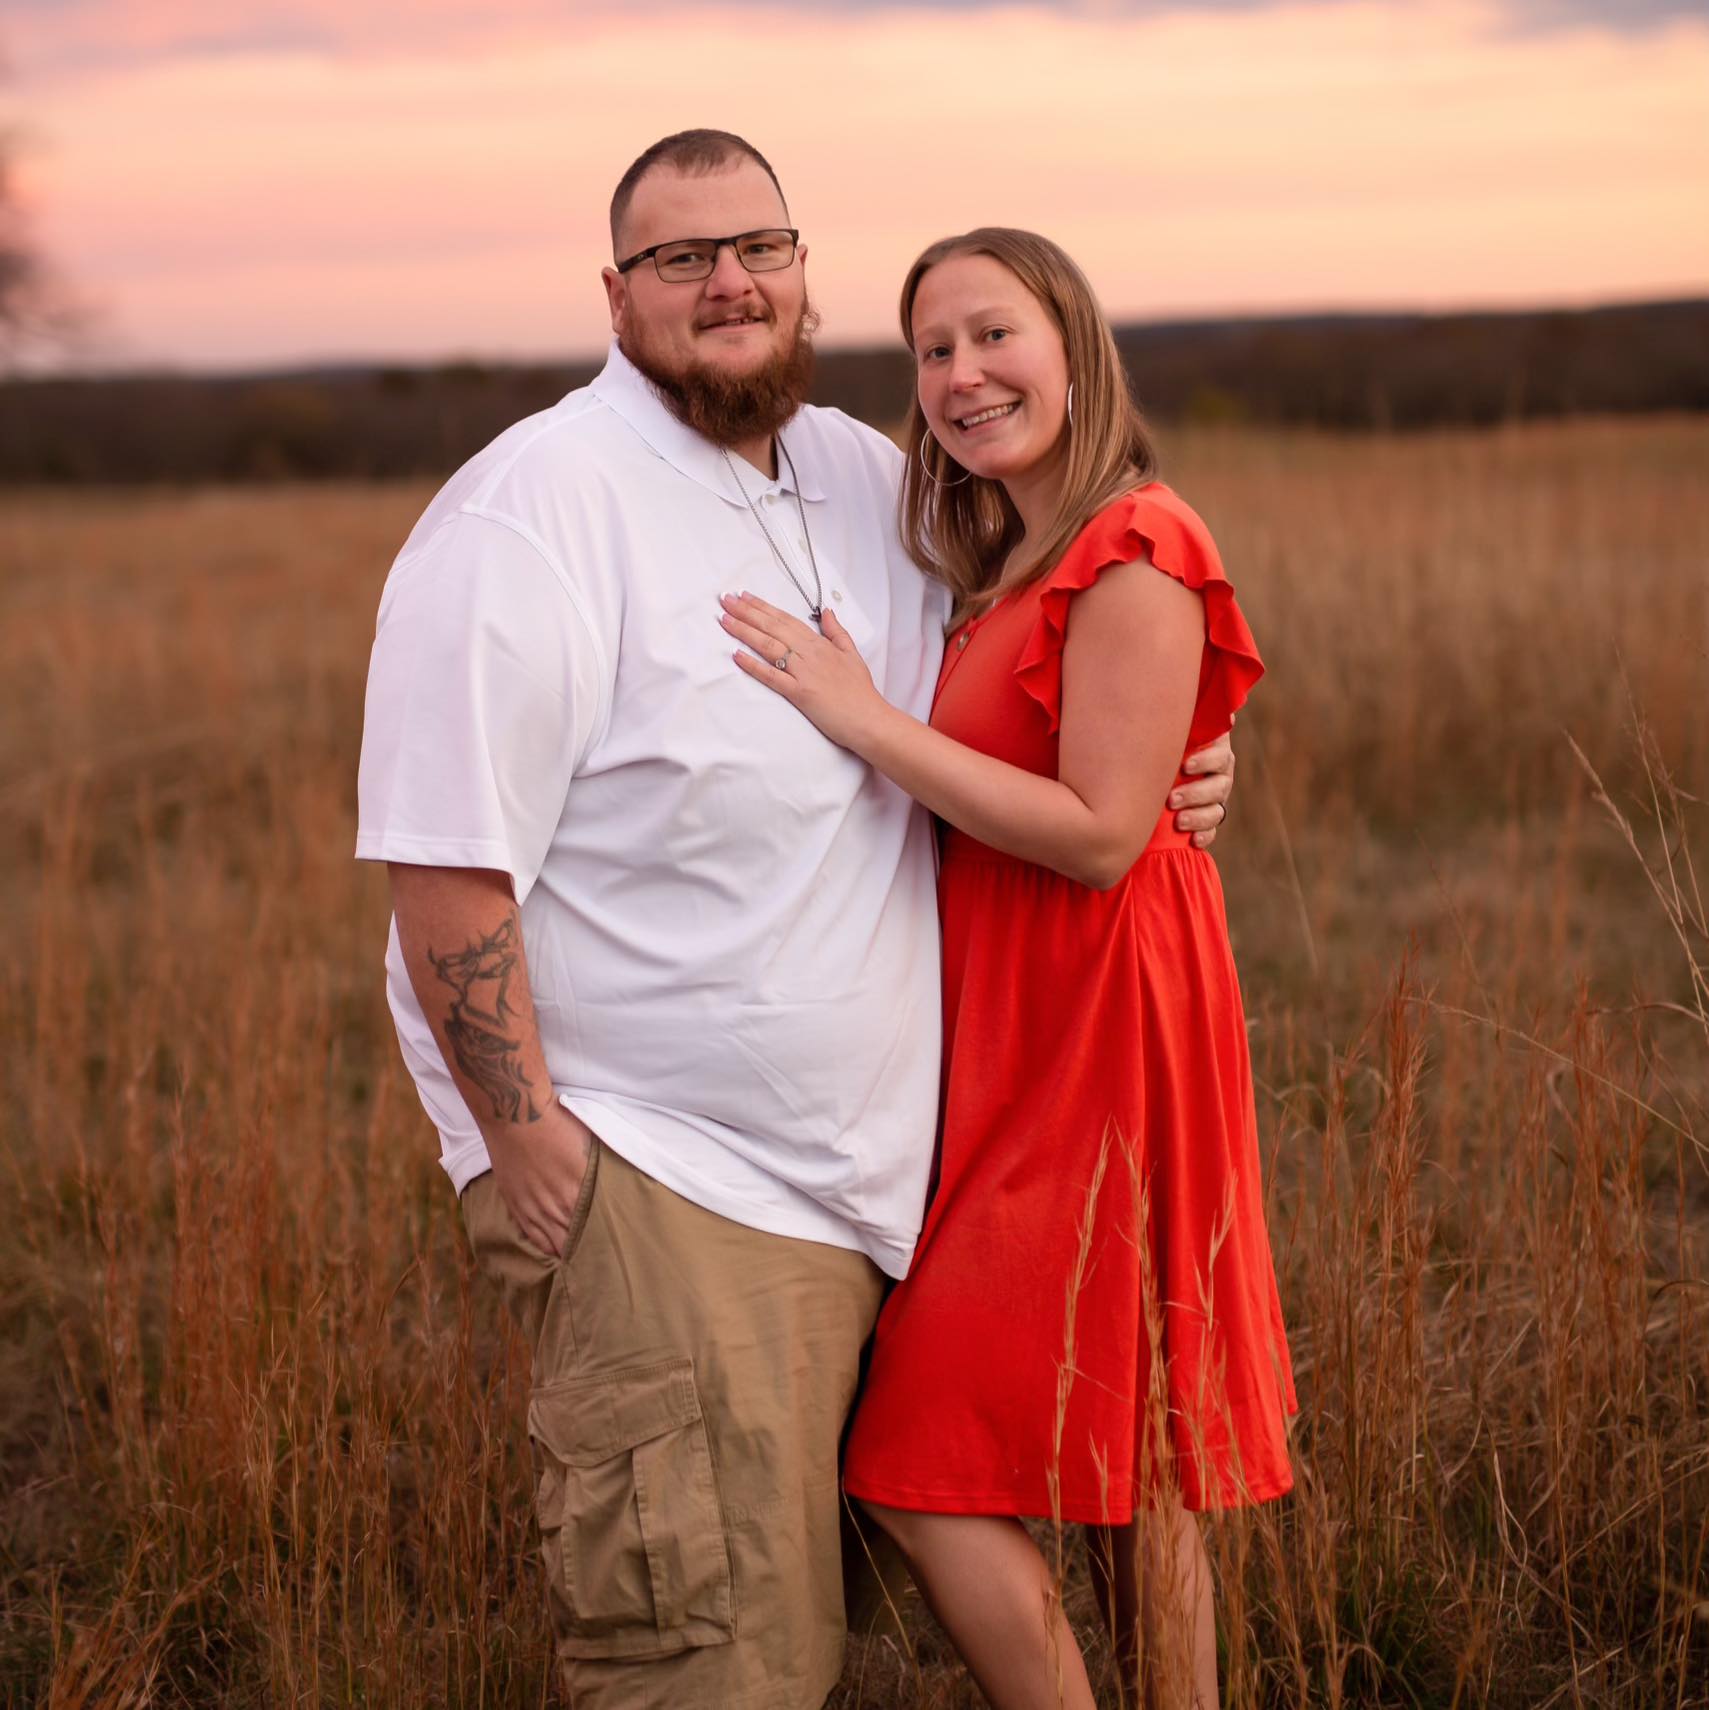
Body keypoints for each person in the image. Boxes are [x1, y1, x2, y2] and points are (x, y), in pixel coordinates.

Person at [356, 133, 1236, 1708]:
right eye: (681, 258)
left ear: (802, 268)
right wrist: (524, 1129)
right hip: (679, 1178)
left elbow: (1063, 648)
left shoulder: (858, 473)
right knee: (722, 1654)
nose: (728, 282)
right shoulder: (531, 513)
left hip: (910, 1173)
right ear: (615, 293)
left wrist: (1183, 760)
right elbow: (443, 862)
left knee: (1021, 1508)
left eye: (758, 246)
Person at [718, 227, 1297, 1710]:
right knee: (1124, 1440)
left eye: (993, 335)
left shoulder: (1136, 539)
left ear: (1072, 347)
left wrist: (864, 719)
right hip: (1019, 1025)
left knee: (924, 1453)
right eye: (933, 350)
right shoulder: (1000, 562)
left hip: (1099, 1026)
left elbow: (1101, 835)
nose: (963, 375)